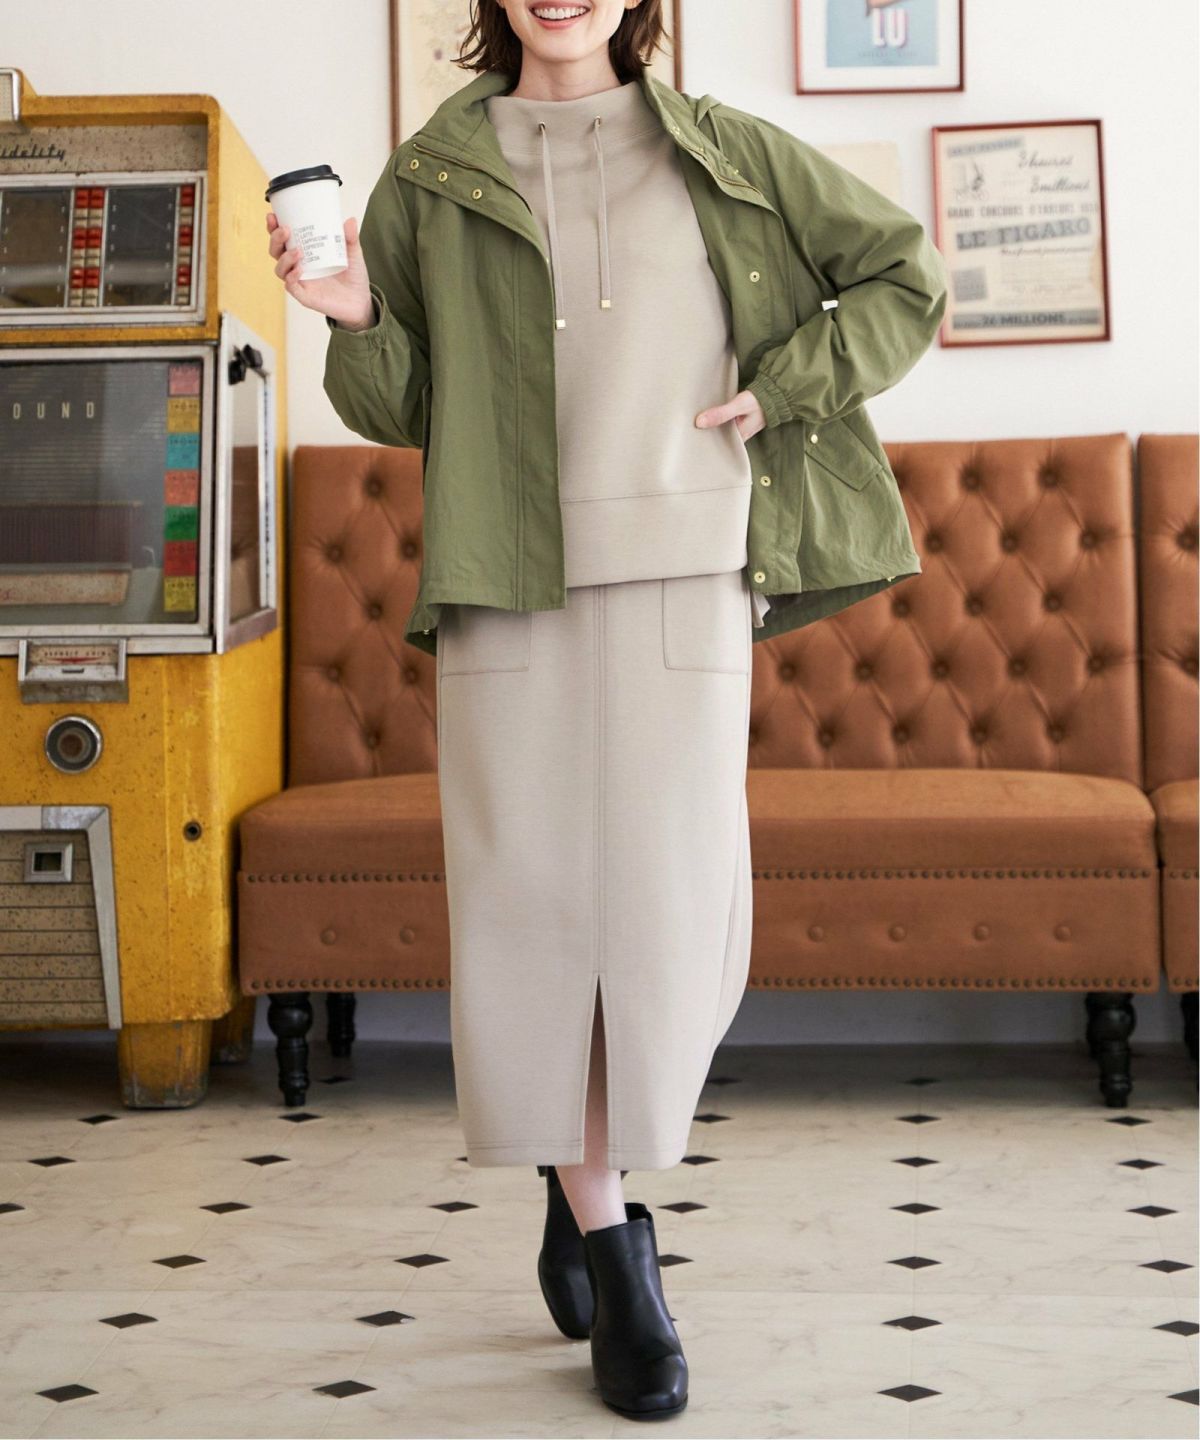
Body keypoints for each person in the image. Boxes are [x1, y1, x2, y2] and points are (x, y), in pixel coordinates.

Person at [267, 0, 945, 1420]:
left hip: (689, 569)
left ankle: (582, 1178)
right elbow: (402, 405)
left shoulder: (726, 150)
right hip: (508, 574)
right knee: (529, 906)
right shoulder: (432, 173)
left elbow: (903, 274)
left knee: (662, 914)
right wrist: (351, 316)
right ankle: (615, 1243)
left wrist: (785, 387)